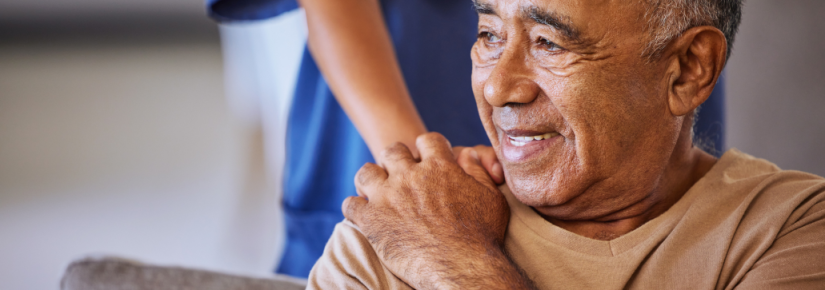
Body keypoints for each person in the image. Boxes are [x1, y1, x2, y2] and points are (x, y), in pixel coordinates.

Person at [307, 0, 825, 289]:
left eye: (548, 42)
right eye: (489, 34)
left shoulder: (790, 228)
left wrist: (459, 264)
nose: (497, 87)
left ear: (688, 69)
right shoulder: (396, 234)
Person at [208, 0, 726, 278]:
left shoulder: (779, 228)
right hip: (398, 94)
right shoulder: (361, 253)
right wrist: (420, 173)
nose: (503, 86)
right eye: (487, 33)